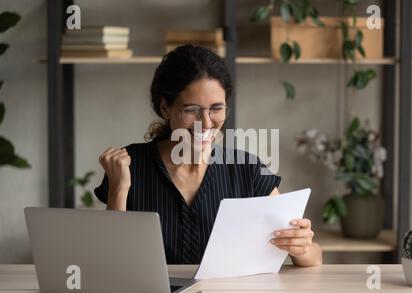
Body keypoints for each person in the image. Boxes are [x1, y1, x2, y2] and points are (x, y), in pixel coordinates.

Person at [94, 44, 322, 267]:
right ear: (165, 108)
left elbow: (314, 257)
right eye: (191, 110)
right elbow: (111, 261)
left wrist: (302, 247)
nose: (206, 123)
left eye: (216, 108)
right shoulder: (128, 166)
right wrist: (119, 188)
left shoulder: (247, 169)